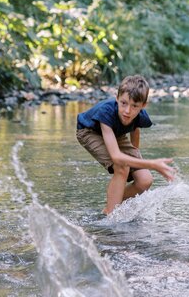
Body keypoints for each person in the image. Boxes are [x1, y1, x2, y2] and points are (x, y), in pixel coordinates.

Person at [75, 75, 176, 214]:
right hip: (90, 131)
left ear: (143, 106)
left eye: (134, 106)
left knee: (145, 180)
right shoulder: (106, 112)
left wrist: (136, 153)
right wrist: (152, 164)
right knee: (122, 166)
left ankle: (111, 204)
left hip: (116, 133)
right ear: (117, 98)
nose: (127, 111)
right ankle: (110, 215)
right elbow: (116, 157)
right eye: (123, 103)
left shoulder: (140, 116)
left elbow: (135, 129)